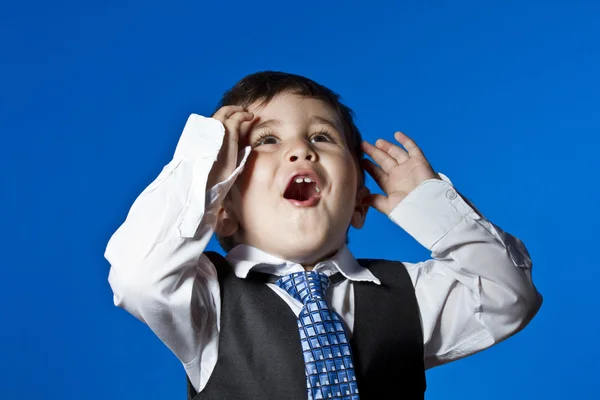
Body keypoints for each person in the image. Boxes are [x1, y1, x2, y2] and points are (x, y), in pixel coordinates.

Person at [105, 71, 542, 400]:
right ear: (222, 211)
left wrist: (430, 205)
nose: (301, 150)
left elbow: (508, 295)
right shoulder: (206, 300)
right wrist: (202, 172)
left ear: (356, 201)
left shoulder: (409, 294)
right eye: (268, 140)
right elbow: (137, 276)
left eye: (321, 136)